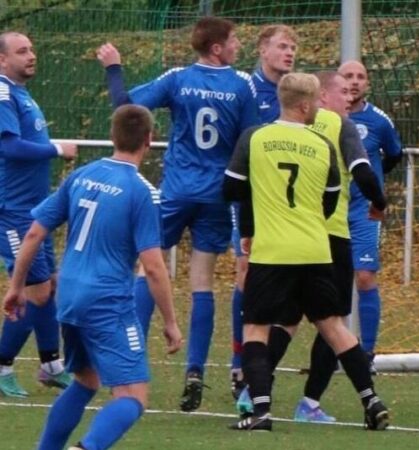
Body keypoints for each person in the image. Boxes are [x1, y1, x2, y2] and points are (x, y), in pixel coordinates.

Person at [96, 16, 260, 411]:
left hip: (176, 191)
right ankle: (195, 371)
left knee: (147, 268)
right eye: (234, 40)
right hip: (218, 195)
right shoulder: (241, 86)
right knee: (201, 282)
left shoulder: (178, 78)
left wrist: (114, 68)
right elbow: (251, 141)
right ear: (217, 48)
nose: (238, 45)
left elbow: (125, 107)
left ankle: (127, 364)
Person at [2, 104, 182, 450]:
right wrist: (171, 321)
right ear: (149, 139)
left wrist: (15, 287)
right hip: (107, 300)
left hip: (68, 297)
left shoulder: (81, 176)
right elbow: (154, 266)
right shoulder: (142, 191)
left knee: (86, 379)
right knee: (133, 396)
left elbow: (34, 234)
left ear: (112, 136)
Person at [223, 72, 389, 431]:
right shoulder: (323, 144)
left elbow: (231, 189)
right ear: (305, 103)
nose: (322, 106)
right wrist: (311, 220)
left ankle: (260, 409)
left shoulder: (256, 138)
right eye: (317, 101)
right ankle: (371, 401)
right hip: (318, 247)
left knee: (258, 327)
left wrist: (254, 225)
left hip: (272, 251)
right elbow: (331, 199)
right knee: (333, 326)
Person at [0, 31, 78, 397]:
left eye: (32, 48)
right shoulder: (1, 93)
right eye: (21, 51)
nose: (31, 55)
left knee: (46, 287)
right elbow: (11, 147)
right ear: (2, 60)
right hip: (11, 210)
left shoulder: (20, 93)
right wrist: (55, 148)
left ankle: (51, 364)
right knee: (33, 291)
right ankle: (2, 365)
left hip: (34, 208)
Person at [229, 24, 299, 400]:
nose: (289, 53)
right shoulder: (245, 90)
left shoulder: (295, 93)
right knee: (245, 275)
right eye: (282, 46)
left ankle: (257, 364)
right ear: (262, 49)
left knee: (284, 292)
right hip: (250, 199)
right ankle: (239, 363)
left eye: (292, 48)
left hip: (285, 207)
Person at [337, 60, 403, 368]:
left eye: (360, 76)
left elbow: (394, 155)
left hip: (364, 211)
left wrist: (373, 184)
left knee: (364, 277)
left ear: (367, 84)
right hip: (329, 210)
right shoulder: (323, 117)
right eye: (348, 76)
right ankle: (334, 346)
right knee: (329, 281)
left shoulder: (379, 121)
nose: (353, 81)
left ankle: (368, 352)